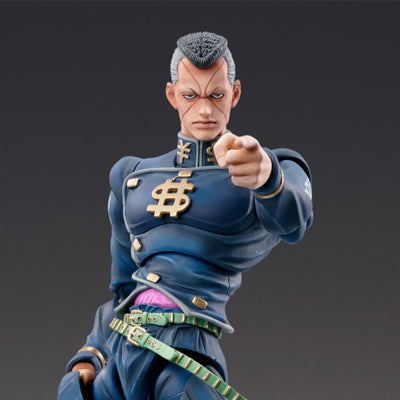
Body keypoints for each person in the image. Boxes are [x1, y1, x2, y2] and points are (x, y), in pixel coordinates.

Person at [58, 31, 313, 400]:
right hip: (127, 347)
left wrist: (267, 177)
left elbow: (294, 219)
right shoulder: (133, 176)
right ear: (172, 95)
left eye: (217, 95)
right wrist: (92, 353)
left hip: (186, 351)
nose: (205, 111)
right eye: (191, 96)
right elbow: (125, 289)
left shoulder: (257, 167)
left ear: (235, 94)